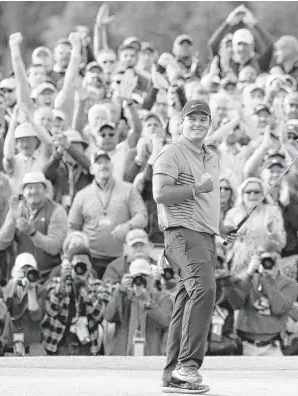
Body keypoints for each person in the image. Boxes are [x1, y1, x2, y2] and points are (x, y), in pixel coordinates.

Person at [152, 99, 237, 393]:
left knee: (187, 300)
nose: (198, 124)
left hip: (205, 236)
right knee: (205, 289)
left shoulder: (210, 156)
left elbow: (207, 202)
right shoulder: (171, 151)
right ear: (180, 122)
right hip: (181, 234)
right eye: (192, 119)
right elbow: (160, 193)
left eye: (204, 119)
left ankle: (172, 374)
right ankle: (188, 366)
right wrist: (196, 188)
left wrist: (220, 226)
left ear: (209, 124)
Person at [68, 150, 148, 278]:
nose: (103, 166)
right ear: (91, 169)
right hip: (92, 259)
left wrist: (128, 226)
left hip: (121, 259)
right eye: (98, 163)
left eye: (106, 162)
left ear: (112, 166)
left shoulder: (128, 190)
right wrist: (77, 242)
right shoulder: (82, 196)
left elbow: (142, 217)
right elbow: (72, 226)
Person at [227, 241, 298, 356]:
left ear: (279, 260)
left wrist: (269, 280)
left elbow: (279, 308)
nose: (268, 262)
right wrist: (249, 274)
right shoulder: (247, 279)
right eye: (264, 258)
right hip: (246, 345)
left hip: (273, 345)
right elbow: (236, 303)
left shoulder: (289, 284)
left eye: (273, 259)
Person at [40, 246, 112, 356]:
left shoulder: (99, 286)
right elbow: (51, 310)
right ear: (70, 266)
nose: (80, 268)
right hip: (60, 340)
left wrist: (85, 287)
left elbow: (100, 315)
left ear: (90, 266)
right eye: (77, 265)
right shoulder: (56, 283)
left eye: (84, 265)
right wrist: (63, 285)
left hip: (87, 343)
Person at [103, 258, 173, 356]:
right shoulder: (124, 296)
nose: (140, 280)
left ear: (152, 278)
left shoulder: (162, 298)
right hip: (124, 355)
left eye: (144, 276)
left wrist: (148, 302)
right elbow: (108, 316)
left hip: (150, 356)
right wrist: (120, 291)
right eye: (135, 277)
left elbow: (166, 322)